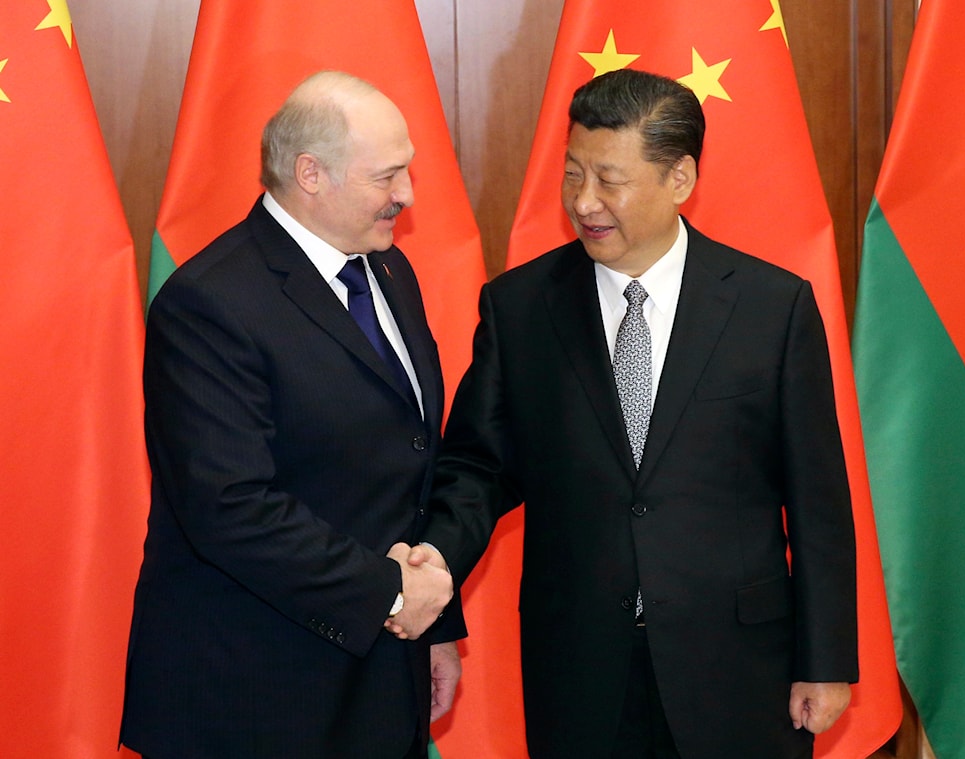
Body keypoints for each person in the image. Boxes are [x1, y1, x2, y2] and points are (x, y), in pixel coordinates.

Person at [401, 69, 858, 758]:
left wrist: (826, 658)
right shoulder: (522, 308)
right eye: (573, 174)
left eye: (609, 179)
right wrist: (435, 558)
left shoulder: (773, 307)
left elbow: (818, 500)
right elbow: (478, 468)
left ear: (679, 179)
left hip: (737, 667)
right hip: (580, 667)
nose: (585, 201)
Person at [120, 71, 463, 759]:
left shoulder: (389, 271)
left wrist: (433, 624)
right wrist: (395, 595)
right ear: (311, 173)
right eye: (388, 176)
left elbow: (412, 456)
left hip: (379, 674)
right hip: (254, 690)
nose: (407, 195)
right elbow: (231, 506)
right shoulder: (211, 303)